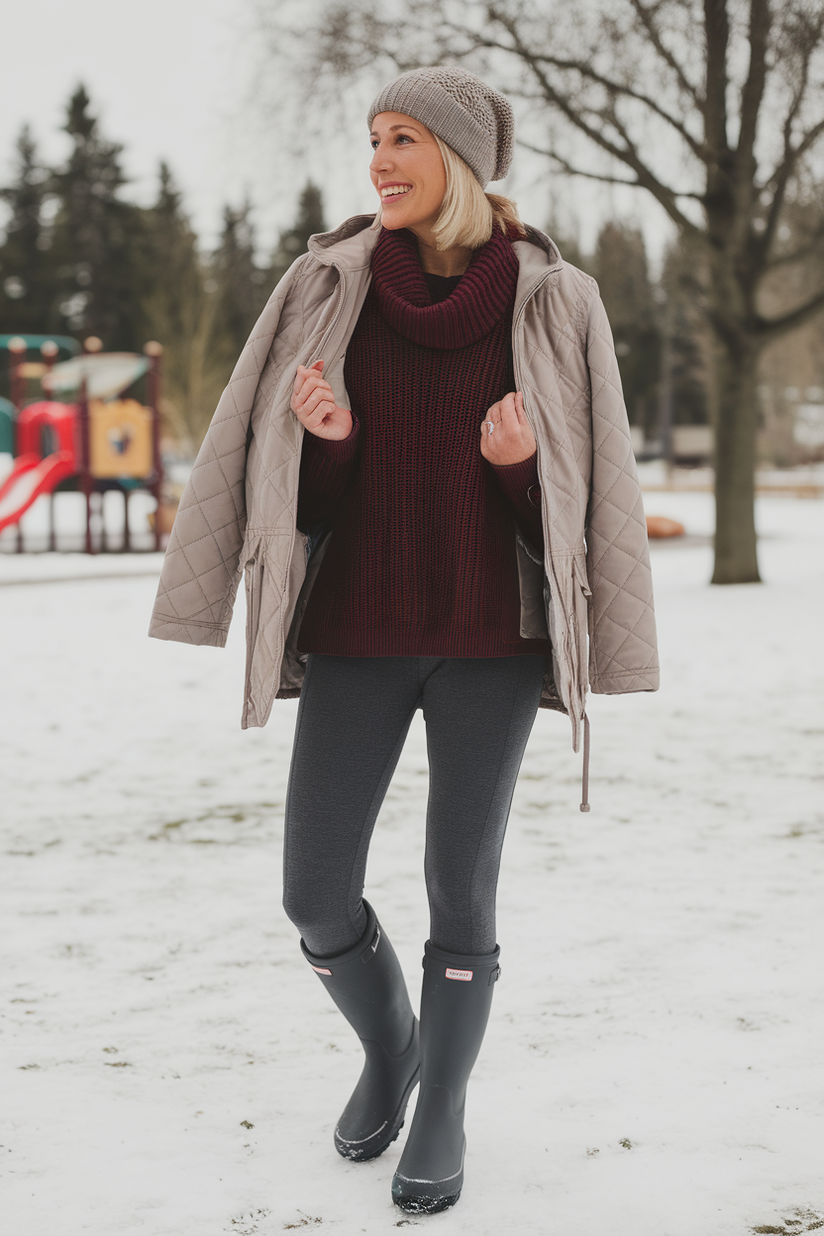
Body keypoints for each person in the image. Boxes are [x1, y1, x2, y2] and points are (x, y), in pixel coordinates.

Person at [149, 66, 659, 1215]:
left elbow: (592, 499)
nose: (377, 161)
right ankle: (393, 1052)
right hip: (356, 639)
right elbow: (293, 494)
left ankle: (440, 1112)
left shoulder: (555, 300)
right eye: (372, 139)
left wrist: (520, 470)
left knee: (457, 894)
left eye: (402, 141)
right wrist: (324, 441)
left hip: (491, 644)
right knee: (314, 894)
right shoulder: (327, 287)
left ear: (460, 161)